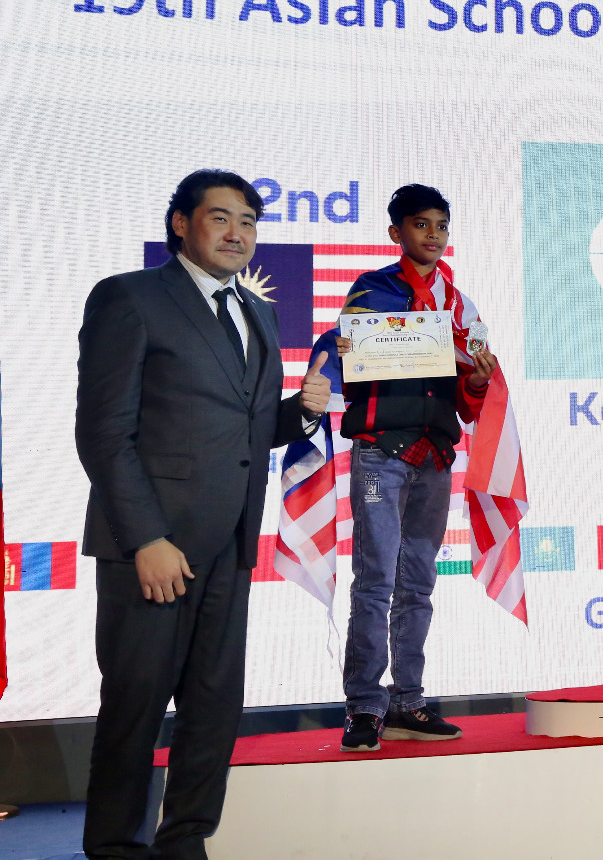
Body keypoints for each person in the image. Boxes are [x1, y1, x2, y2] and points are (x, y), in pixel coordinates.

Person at [77, 169, 332, 859]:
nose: (237, 233)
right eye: (220, 218)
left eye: (248, 222)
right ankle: (115, 846)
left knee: (214, 706)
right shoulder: (129, 298)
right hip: (152, 547)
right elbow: (104, 434)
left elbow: (244, 429)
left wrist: (301, 413)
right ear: (181, 224)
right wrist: (147, 538)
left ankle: (186, 839)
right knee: (135, 707)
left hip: (231, 544)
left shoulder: (258, 312)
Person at [332, 184, 499, 752]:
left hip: (434, 453)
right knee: (375, 580)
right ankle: (364, 705)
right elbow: (350, 361)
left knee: (418, 583)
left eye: (441, 226)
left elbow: (468, 397)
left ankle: (408, 700)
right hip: (381, 449)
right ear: (395, 232)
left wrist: (477, 379)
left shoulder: (459, 304)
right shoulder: (372, 290)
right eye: (421, 224)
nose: (433, 235)